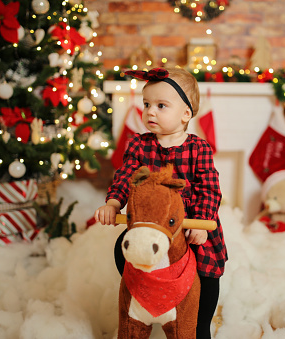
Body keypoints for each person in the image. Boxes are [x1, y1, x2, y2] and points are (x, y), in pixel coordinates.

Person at [95, 67, 227, 338]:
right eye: (146, 104)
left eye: (161, 105)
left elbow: (210, 189)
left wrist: (201, 223)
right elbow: (125, 177)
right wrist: (113, 203)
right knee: (124, 250)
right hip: (151, 225)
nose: (150, 111)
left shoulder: (198, 148)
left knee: (207, 269)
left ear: (186, 114)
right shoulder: (138, 145)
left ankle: (199, 323)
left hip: (189, 224)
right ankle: (143, 296)